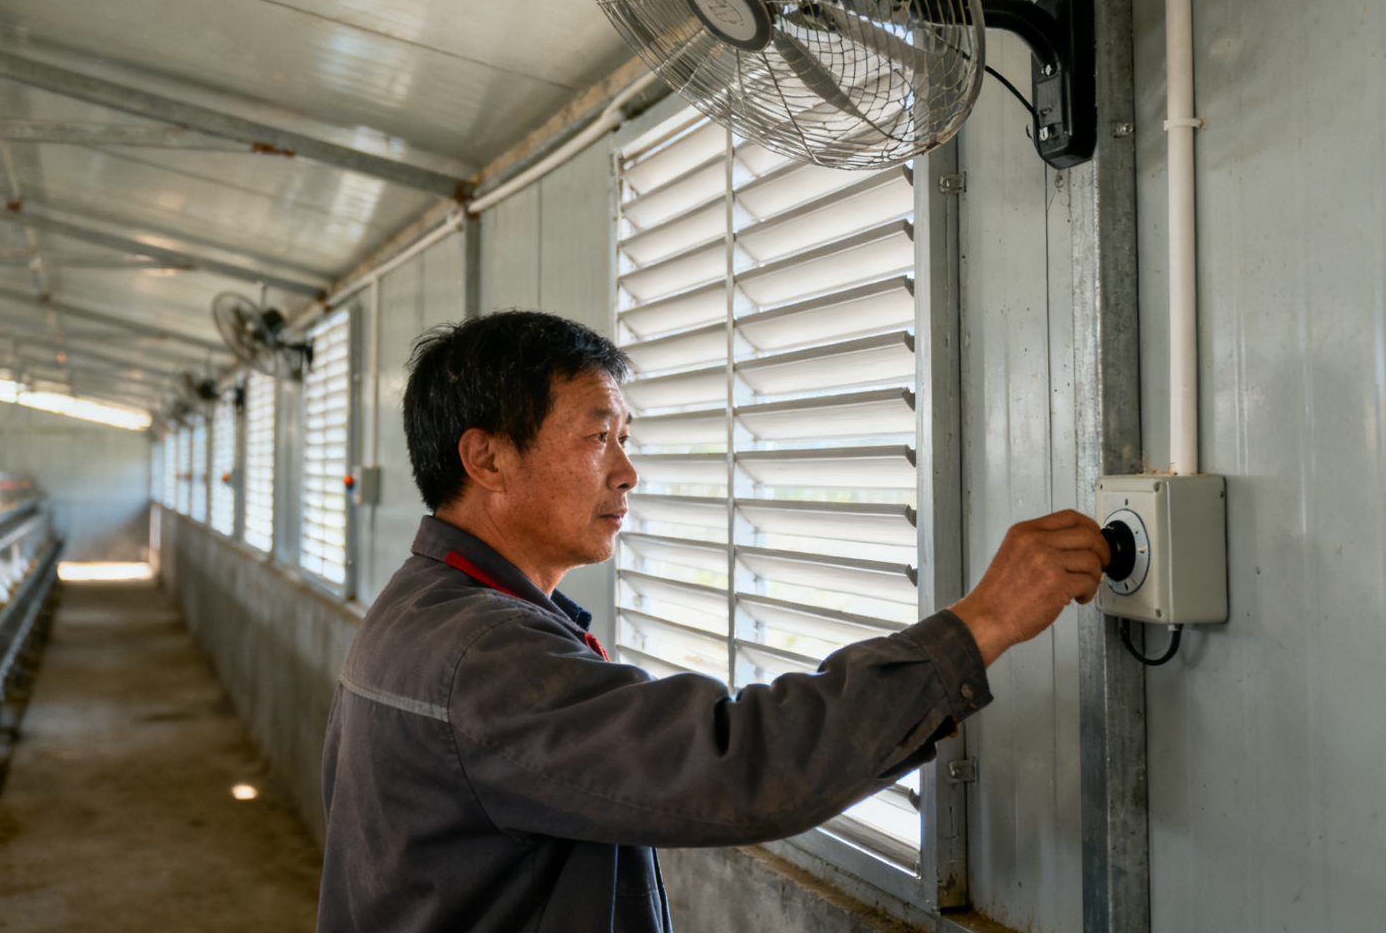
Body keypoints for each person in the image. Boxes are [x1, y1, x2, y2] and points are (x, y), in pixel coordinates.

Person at [319, 311, 1107, 932]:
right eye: (598, 437)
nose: (627, 471)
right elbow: (731, 760)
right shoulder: (483, 653)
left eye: (623, 440)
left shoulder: (418, 606)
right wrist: (979, 624)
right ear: (486, 459)